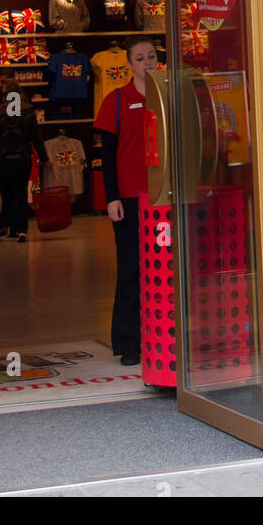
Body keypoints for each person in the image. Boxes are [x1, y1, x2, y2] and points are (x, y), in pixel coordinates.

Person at [94, 37, 161, 367]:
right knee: (132, 269)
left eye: (151, 56)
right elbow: (107, 156)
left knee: (162, 269)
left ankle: (163, 336)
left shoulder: (167, 97)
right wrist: (112, 197)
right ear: (129, 64)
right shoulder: (116, 100)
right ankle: (129, 340)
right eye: (140, 58)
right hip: (130, 199)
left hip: (164, 195)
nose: (147, 62)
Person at [0, 73, 45, 242]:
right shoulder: (28, 111)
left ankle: (11, 229)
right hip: (23, 158)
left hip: (3, 159)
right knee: (21, 193)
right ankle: (22, 229)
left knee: (6, 194)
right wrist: (45, 158)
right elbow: (36, 138)